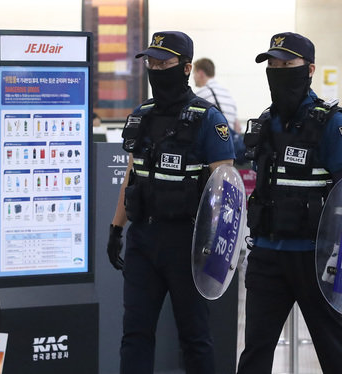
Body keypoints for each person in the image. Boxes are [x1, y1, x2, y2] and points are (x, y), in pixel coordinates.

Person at [106, 31, 235, 374]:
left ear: (187, 67)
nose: (155, 68)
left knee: (194, 336)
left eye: (164, 62)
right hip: (143, 240)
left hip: (188, 244)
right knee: (134, 333)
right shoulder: (141, 115)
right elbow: (132, 175)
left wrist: (217, 248)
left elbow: (227, 191)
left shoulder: (208, 119)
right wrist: (116, 227)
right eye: (151, 61)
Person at [237, 32, 342, 374]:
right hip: (266, 253)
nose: (278, 70)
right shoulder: (264, 122)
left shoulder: (331, 122)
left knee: (333, 345)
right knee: (256, 349)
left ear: (309, 70)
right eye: (273, 64)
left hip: (314, 257)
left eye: (287, 64)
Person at [193, 57, 239, 131]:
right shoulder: (227, 94)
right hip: (228, 139)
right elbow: (237, 125)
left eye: (194, 73)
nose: (193, 77)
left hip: (213, 139)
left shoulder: (201, 94)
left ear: (200, 73)